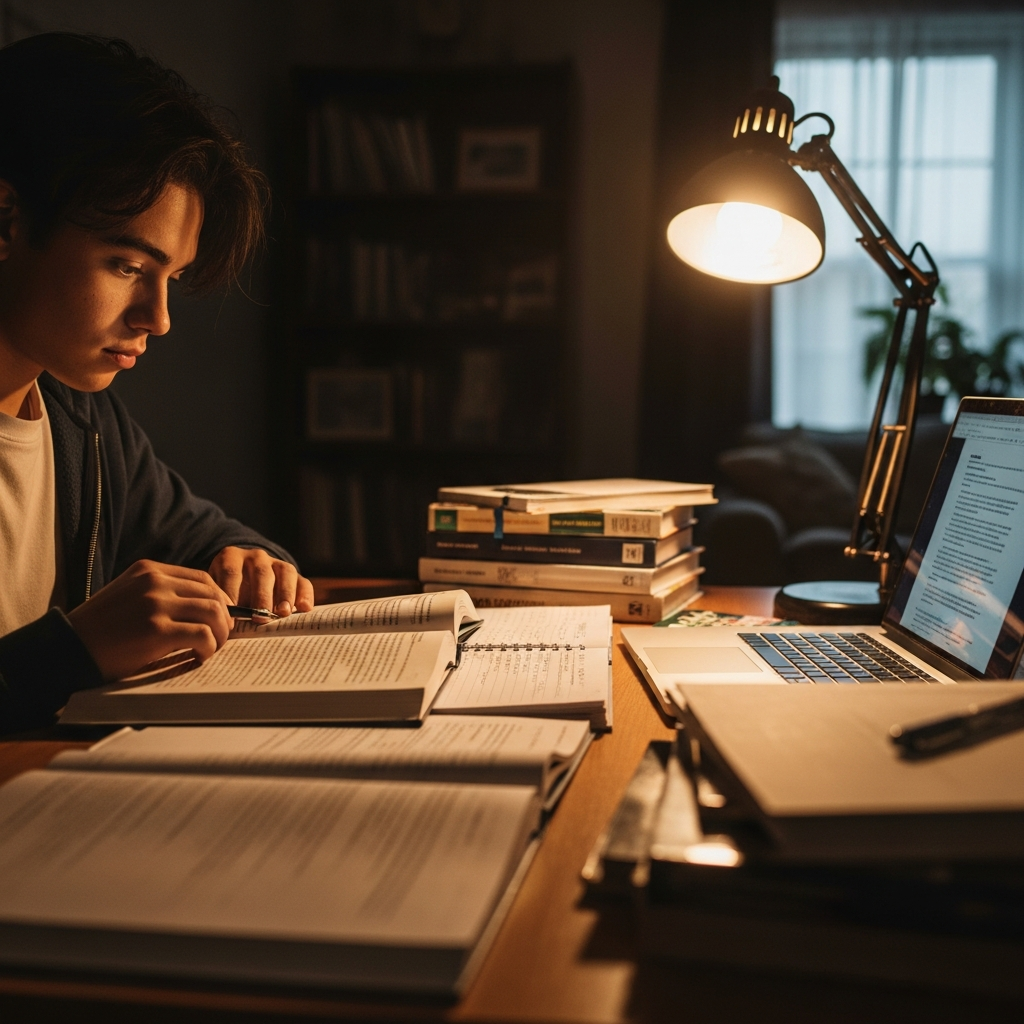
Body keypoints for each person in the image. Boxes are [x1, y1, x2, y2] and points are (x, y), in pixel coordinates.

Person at [0, 33, 313, 734]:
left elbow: (209, 537)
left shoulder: (83, 423)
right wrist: (71, 652)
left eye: (169, 278)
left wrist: (251, 567)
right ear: (5, 221)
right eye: (126, 266)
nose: (159, 319)